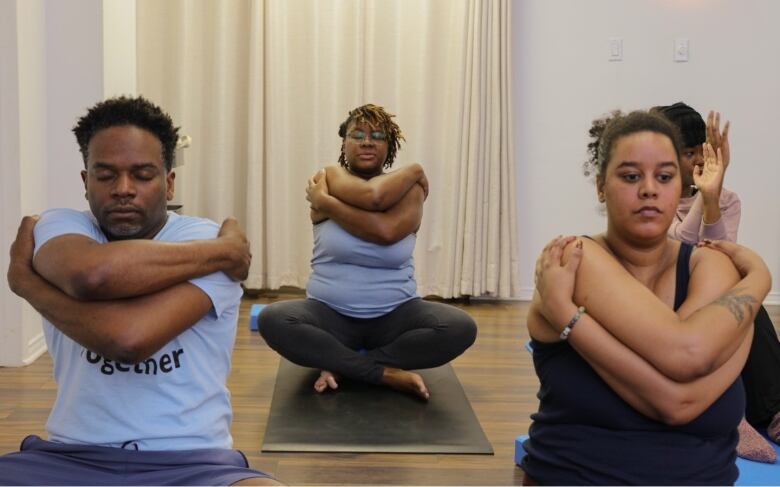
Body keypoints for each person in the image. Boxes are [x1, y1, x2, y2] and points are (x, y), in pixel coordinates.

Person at [2, 96, 279, 485]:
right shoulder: (58, 226)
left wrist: (29, 285)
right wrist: (224, 251)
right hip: (71, 460)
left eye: (142, 175)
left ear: (168, 183)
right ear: (85, 182)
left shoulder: (199, 236)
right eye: (106, 175)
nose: (123, 189)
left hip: (192, 464)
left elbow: (130, 339)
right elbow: (91, 276)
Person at [521, 110, 772, 485]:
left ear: (680, 185)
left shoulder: (711, 266)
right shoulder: (575, 260)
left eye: (665, 176)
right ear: (600, 186)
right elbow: (685, 355)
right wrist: (759, 279)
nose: (649, 189)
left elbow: (678, 400)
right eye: (631, 175)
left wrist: (570, 319)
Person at [259, 104, 477, 400]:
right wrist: (415, 171)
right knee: (274, 320)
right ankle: (384, 373)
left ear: (389, 146)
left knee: (460, 327)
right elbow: (373, 199)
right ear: (344, 143)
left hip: (396, 315)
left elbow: (385, 231)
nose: (366, 141)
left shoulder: (408, 190)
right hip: (329, 314)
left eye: (377, 136)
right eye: (357, 134)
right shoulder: (328, 177)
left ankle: (343, 365)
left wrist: (327, 203)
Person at [655, 102, 780, 460]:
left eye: (701, 150)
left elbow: (720, 255)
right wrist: (703, 197)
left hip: (711, 291)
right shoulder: (652, 198)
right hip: (668, 298)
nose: (696, 159)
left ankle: (771, 413)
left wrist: (711, 196)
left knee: (745, 303)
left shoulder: (728, 200)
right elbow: (679, 251)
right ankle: (729, 415)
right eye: (687, 151)